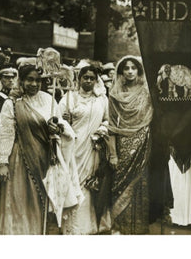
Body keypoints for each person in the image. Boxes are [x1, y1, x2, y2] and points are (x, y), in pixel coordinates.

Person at [0, 64, 82, 234]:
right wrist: (2, 162)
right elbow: (5, 132)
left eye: (38, 80)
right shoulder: (12, 103)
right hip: (21, 159)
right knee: (20, 200)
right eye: (30, 80)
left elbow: (61, 126)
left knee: (43, 199)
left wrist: (58, 130)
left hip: (45, 156)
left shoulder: (48, 100)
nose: (34, 84)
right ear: (21, 80)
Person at [59, 65, 111, 234]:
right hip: (72, 147)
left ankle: (87, 226)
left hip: (92, 147)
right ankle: (71, 227)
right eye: (85, 77)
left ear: (96, 80)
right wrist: (65, 121)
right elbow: (57, 121)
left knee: (88, 184)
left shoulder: (101, 99)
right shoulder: (69, 98)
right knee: (72, 182)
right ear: (79, 79)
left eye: (92, 78)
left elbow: (108, 120)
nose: (88, 81)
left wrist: (101, 132)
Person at [107, 56, 153, 234]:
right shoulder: (114, 94)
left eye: (134, 68)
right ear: (121, 72)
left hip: (143, 141)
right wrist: (113, 153)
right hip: (122, 143)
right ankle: (120, 227)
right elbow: (111, 125)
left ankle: (139, 228)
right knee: (121, 183)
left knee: (140, 183)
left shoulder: (147, 93)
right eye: (126, 68)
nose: (130, 71)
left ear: (139, 71)